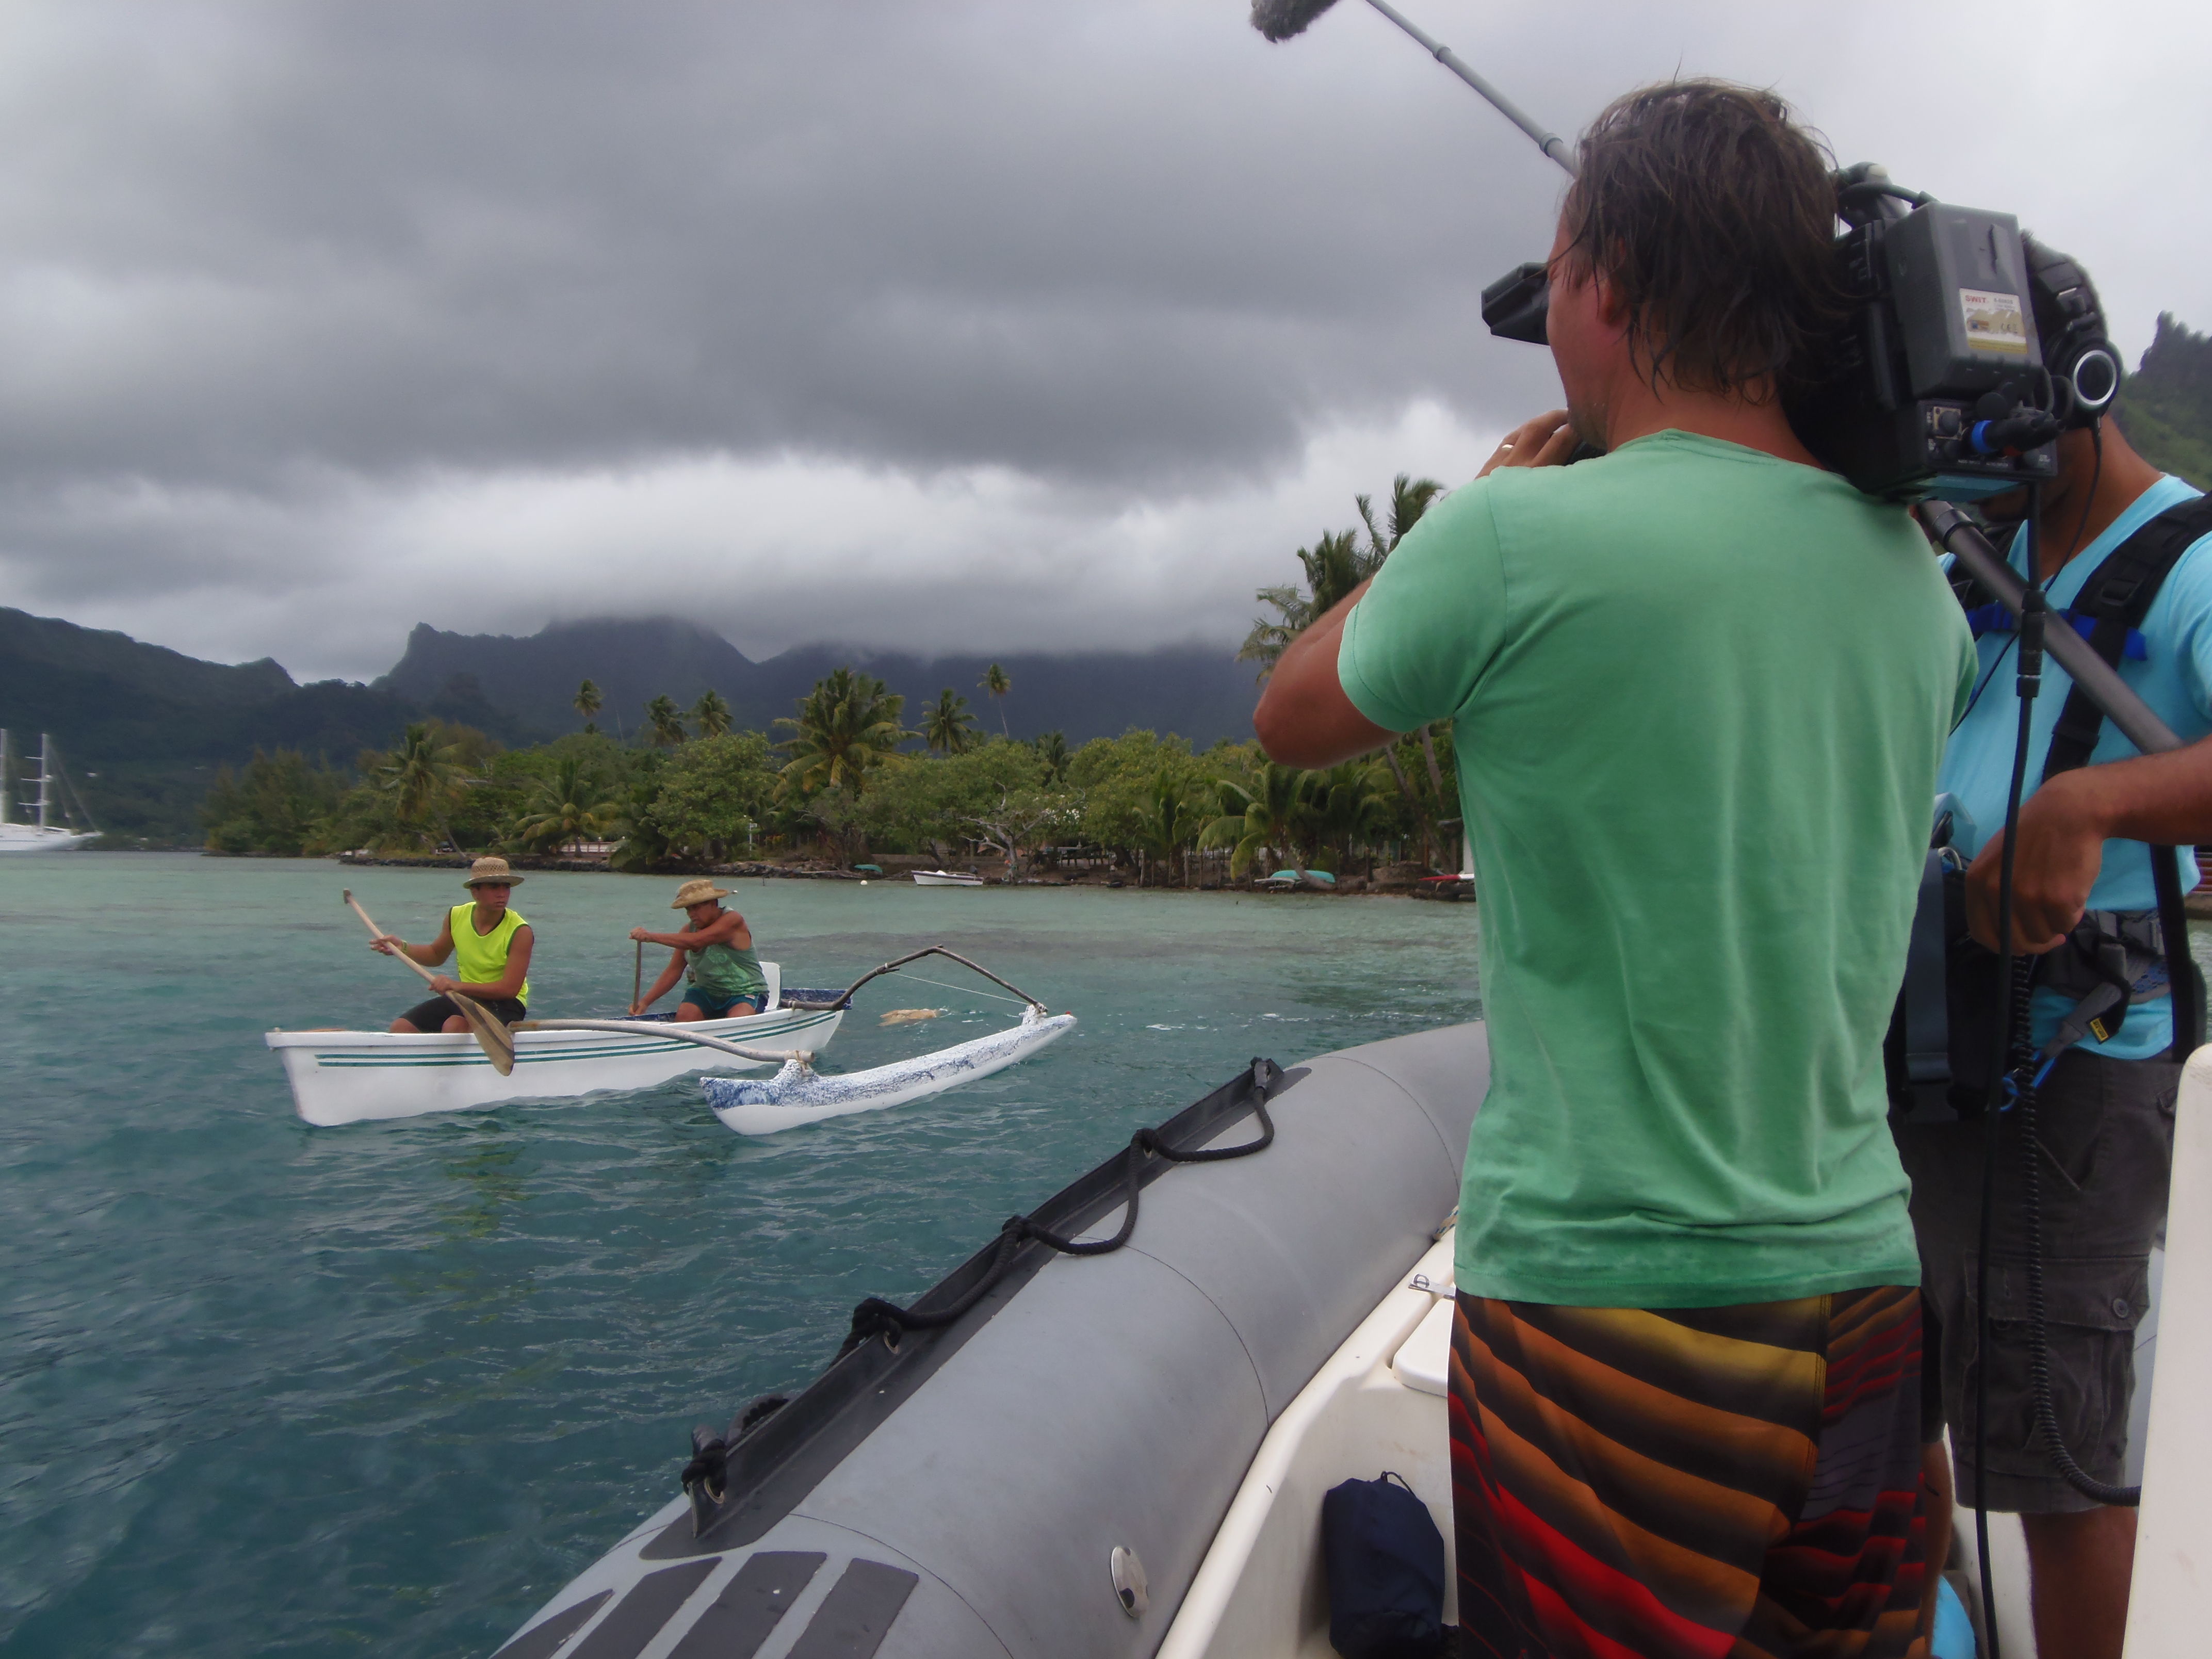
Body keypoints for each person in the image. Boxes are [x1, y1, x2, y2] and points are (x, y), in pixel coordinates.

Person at [1255, 81, 1976, 1656]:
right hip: (1862, 1297)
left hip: (1608, 1311)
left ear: (1609, 285)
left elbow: (1292, 714)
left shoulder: (1513, 542)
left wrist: (1485, 503)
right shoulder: (1915, 580)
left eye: (1561, 266)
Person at [1893, 243, 2212, 1659]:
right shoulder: (1979, 557)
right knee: (1895, 1396)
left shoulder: (2191, 561)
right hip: (1932, 1035)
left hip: (2079, 1064)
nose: (1971, 465)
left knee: (2059, 1450)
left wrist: (2094, 805)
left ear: (2076, 391)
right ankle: (1935, 1621)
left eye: (1989, 430)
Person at [375, 856, 534, 1033]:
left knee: (454, 1026)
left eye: (506, 887)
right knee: (401, 1027)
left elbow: (509, 989)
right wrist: (402, 948)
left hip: (507, 1003)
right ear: (475, 892)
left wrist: (456, 986)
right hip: (467, 996)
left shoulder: (520, 931)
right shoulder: (456, 916)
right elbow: (436, 955)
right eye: (494, 887)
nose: (502, 894)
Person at [630, 879, 768, 1020]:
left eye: (696, 908)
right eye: (688, 909)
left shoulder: (733, 920)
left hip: (744, 992)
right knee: (685, 1016)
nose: (692, 914)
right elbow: (674, 970)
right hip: (705, 993)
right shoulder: (687, 931)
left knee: (738, 1020)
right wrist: (645, 1002)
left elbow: (697, 942)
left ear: (713, 903)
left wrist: (651, 937)